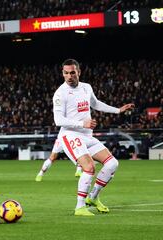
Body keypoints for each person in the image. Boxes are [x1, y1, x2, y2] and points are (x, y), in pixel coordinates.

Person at [53, 59, 134, 216]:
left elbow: (95, 104)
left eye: (72, 72)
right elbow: (58, 121)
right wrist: (82, 124)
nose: (69, 76)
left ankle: (93, 197)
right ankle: (79, 207)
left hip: (87, 135)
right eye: (66, 73)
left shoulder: (86, 87)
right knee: (89, 167)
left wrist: (118, 110)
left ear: (79, 72)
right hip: (70, 135)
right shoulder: (60, 93)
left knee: (112, 163)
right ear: (63, 73)